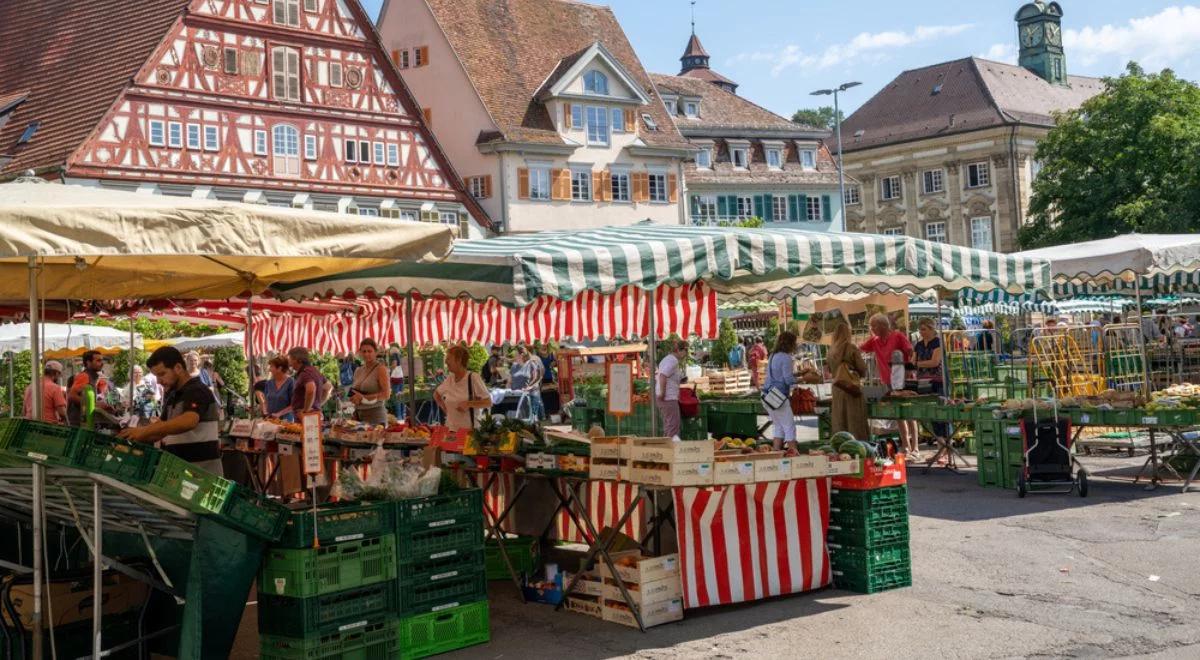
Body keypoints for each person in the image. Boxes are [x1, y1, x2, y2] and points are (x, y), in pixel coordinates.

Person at [119, 347, 222, 475]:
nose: (158, 381)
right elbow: (160, 430)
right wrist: (130, 437)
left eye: (162, 374)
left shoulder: (197, 390)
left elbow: (189, 421)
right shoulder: (173, 395)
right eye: (156, 376)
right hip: (180, 474)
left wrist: (143, 431)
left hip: (201, 474)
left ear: (178, 368)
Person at [434, 344, 492, 432]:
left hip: (469, 432)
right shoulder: (450, 378)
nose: (446, 361)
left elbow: (488, 402)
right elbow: (436, 395)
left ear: (459, 360)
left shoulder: (473, 378)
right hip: (450, 430)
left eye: (449, 358)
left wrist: (468, 403)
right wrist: (447, 411)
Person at [912, 318, 948, 458]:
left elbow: (935, 362)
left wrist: (918, 364)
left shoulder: (938, 342)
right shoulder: (919, 344)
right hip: (923, 382)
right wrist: (915, 364)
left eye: (924, 329)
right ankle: (941, 448)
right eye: (920, 329)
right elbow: (913, 360)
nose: (922, 332)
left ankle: (943, 448)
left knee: (940, 414)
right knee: (931, 415)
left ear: (932, 329)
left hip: (938, 381)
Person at [827, 324, 869, 442]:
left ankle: (841, 445)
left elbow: (830, 370)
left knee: (840, 420)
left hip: (837, 388)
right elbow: (862, 369)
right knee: (854, 420)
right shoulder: (851, 348)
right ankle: (857, 447)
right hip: (851, 388)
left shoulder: (831, 351)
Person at [762, 331, 798, 451]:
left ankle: (776, 453)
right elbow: (788, 380)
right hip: (778, 396)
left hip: (766, 395)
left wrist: (797, 375)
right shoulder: (786, 357)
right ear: (790, 344)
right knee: (789, 426)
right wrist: (804, 379)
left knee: (778, 426)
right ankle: (793, 453)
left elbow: (779, 375)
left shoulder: (773, 355)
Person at [861, 314, 913, 385]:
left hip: (902, 380)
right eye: (870, 326)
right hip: (886, 383)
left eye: (874, 326)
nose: (871, 329)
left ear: (884, 325)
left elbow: (912, 353)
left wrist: (908, 371)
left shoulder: (898, 336)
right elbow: (858, 350)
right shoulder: (874, 341)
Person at [350, 338, 391, 425]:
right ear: (360, 352)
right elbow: (355, 392)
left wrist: (363, 398)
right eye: (364, 351)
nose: (366, 354)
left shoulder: (381, 369)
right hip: (358, 416)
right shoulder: (358, 370)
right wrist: (353, 398)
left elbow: (386, 394)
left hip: (375, 415)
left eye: (369, 351)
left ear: (375, 352)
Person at [67, 350, 109, 426]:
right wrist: (94, 404)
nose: (102, 363)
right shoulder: (84, 376)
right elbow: (71, 396)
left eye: (102, 360)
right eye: (98, 360)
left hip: (84, 421)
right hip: (78, 423)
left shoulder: (92, 376)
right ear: (88, 362)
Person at [655, 340, 688, 438]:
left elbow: (665, 375)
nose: (686, 354)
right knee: (673, 426)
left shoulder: (667, 359)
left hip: (666, 397)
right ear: (679, 350)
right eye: (685, 351)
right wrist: (662, 393)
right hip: (668, 398)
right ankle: (672, 450)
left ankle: (666, 449)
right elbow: (663, 376)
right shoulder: (673, 360)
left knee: (669, 425)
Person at [287, 347, 332, 416]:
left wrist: (306, 410)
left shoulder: (305, 373)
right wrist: (318, 404)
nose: (290, 364)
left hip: (306, 418)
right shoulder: (313, 370)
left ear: (296, 359)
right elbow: (328, 387)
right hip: (312, 415)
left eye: (290, 359)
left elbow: (311, 389)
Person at [257, 356, 296, 421]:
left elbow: (294, 405)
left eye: (272, 366)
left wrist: (279, 414)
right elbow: (266, 402)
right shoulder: (269, 383)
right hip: (270, 420)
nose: (269, 369)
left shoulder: (291, 382)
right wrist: (264, 412)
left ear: (279, 368)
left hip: (286, 421)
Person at [389, 354, 406, 420]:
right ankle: (403, 415)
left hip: (396, 381)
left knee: (397, 399)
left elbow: (394, 365)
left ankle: (399, 416)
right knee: (401, 398)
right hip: (400, 379)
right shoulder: (399, 356)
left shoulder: (393, 355)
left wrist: (388, 368)